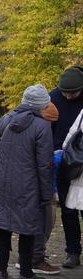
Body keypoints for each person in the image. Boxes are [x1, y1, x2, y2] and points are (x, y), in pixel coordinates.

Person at [0, 85, 53, 279]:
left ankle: (1, 271)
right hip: (28, 185)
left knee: (2, 225)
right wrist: (46, 193)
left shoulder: (4, 120)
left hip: (1, 183)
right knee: (27, 229)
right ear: (41, 105)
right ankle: (25, 274)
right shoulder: (42, 127)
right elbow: (44, 164)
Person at [15, 102, 61, 275]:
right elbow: (43, 163)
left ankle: (29, 259)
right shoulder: (40, 129)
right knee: (41, 220)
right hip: (38, 185)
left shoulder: (15, 122)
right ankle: (33, 260)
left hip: (27, 183)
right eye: (50, 122)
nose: (51, 126)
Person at [51, 66, 83, 268]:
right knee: (68, 210)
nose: (69, 97)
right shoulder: (53, 97)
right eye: (65, 93)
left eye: (73, 93)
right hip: (62, 161)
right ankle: (73, 252)